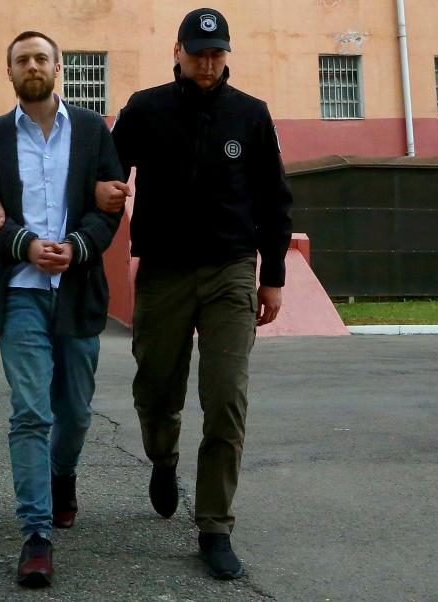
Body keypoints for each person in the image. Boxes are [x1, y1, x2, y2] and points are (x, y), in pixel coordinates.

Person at [107, 8, 293, 580]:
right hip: (163, 271)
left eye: (216, 53)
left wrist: (274, 275)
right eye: (198, 52)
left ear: (226, 55)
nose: (207, 62)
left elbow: (274, 201)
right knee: (156, 390)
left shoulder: (251, 116)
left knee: (226, 398)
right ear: (178, 52)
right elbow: (109, 170)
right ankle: (163, 459)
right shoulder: (145, 108)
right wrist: (103, 190)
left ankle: (214, 524)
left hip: (231, 271)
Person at [0, 31, 126, 588]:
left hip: (78, 291)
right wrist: (26, 243)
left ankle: (62, 474)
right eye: (21, 59)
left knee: (75, 412)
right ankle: (36, 535)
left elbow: (110, 207)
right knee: (31, 412)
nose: (32, 66)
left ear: (59, 67)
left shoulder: (95, 132)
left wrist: (77, 246)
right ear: (8, 72)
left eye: (41, 58)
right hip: (20, 290)